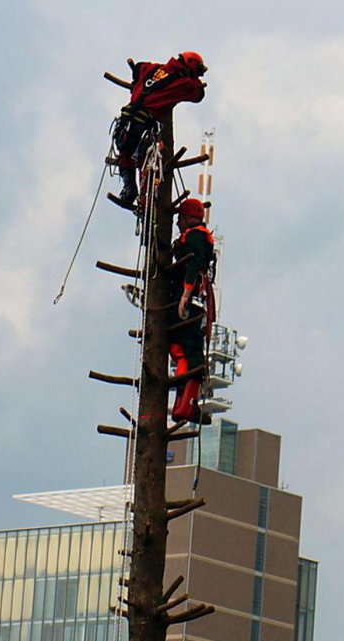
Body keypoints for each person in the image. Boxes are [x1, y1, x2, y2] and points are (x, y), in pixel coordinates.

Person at [113, 52, 208, 203]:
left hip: (126, 123)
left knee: (126, 155)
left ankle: (129, 189)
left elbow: (138, 68)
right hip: (143, 128)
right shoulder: (185, 83)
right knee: (148, 164)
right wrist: (194, 80)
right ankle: (145, 200)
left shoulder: (152, 68)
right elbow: (198, 95)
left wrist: (138, 84)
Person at [168, 198, 217, 422]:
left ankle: (186, 404)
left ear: (187, 218)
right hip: (184, 300)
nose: (177, 224)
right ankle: (184, 405)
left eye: (179, 219)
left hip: (188, 301)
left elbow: (194, 263)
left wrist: (186, 294)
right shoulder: (194, 235)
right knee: (182, 351)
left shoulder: (196, 235)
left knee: (190, 352)